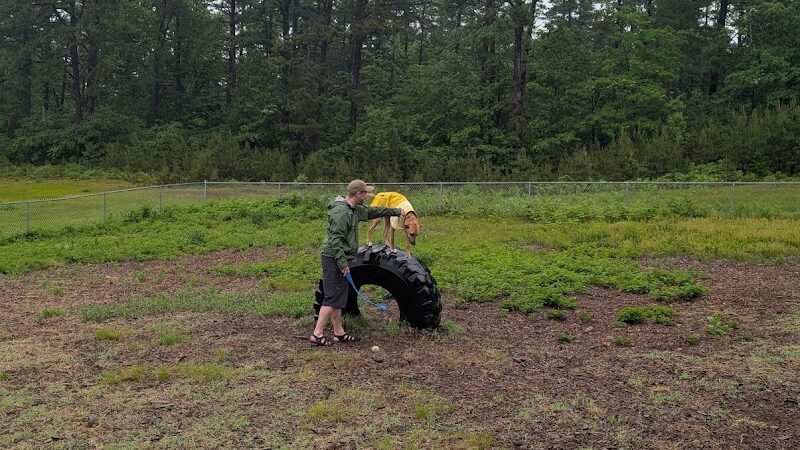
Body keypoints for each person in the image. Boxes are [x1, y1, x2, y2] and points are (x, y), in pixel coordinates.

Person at [311, 180, 404, 346]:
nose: (367, 196)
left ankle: (338, 333)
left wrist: (397, 211)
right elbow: (335, 241)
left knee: (339, 295)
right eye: (365, 193)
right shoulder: (341, 213)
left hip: (341, 257)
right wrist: (342, 263)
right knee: (332, 297)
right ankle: (317, 334)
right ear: (358, 194)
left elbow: (373, 211)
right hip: (333, 257)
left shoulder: (354, 210)